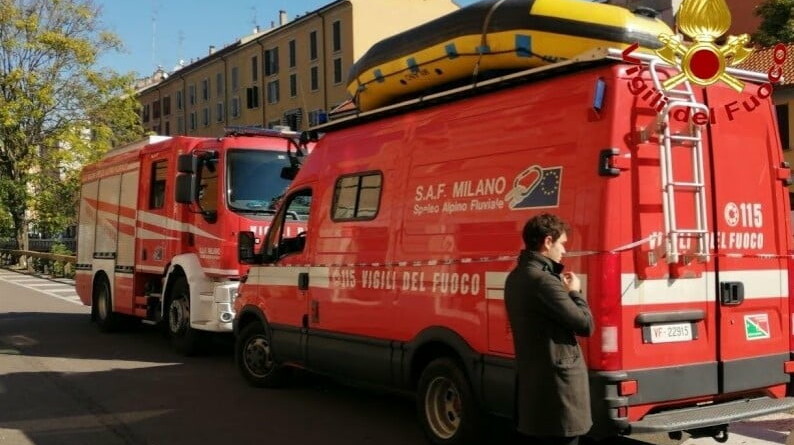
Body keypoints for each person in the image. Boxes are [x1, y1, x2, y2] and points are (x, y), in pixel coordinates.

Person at [504, 213, 594, 445]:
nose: (564, 250)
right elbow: (585, 325)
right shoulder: (543, 281)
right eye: (562, 243)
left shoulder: (516, 277)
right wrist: (575, 292)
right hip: (558, 395)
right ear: (547, 242)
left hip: (535, 391)